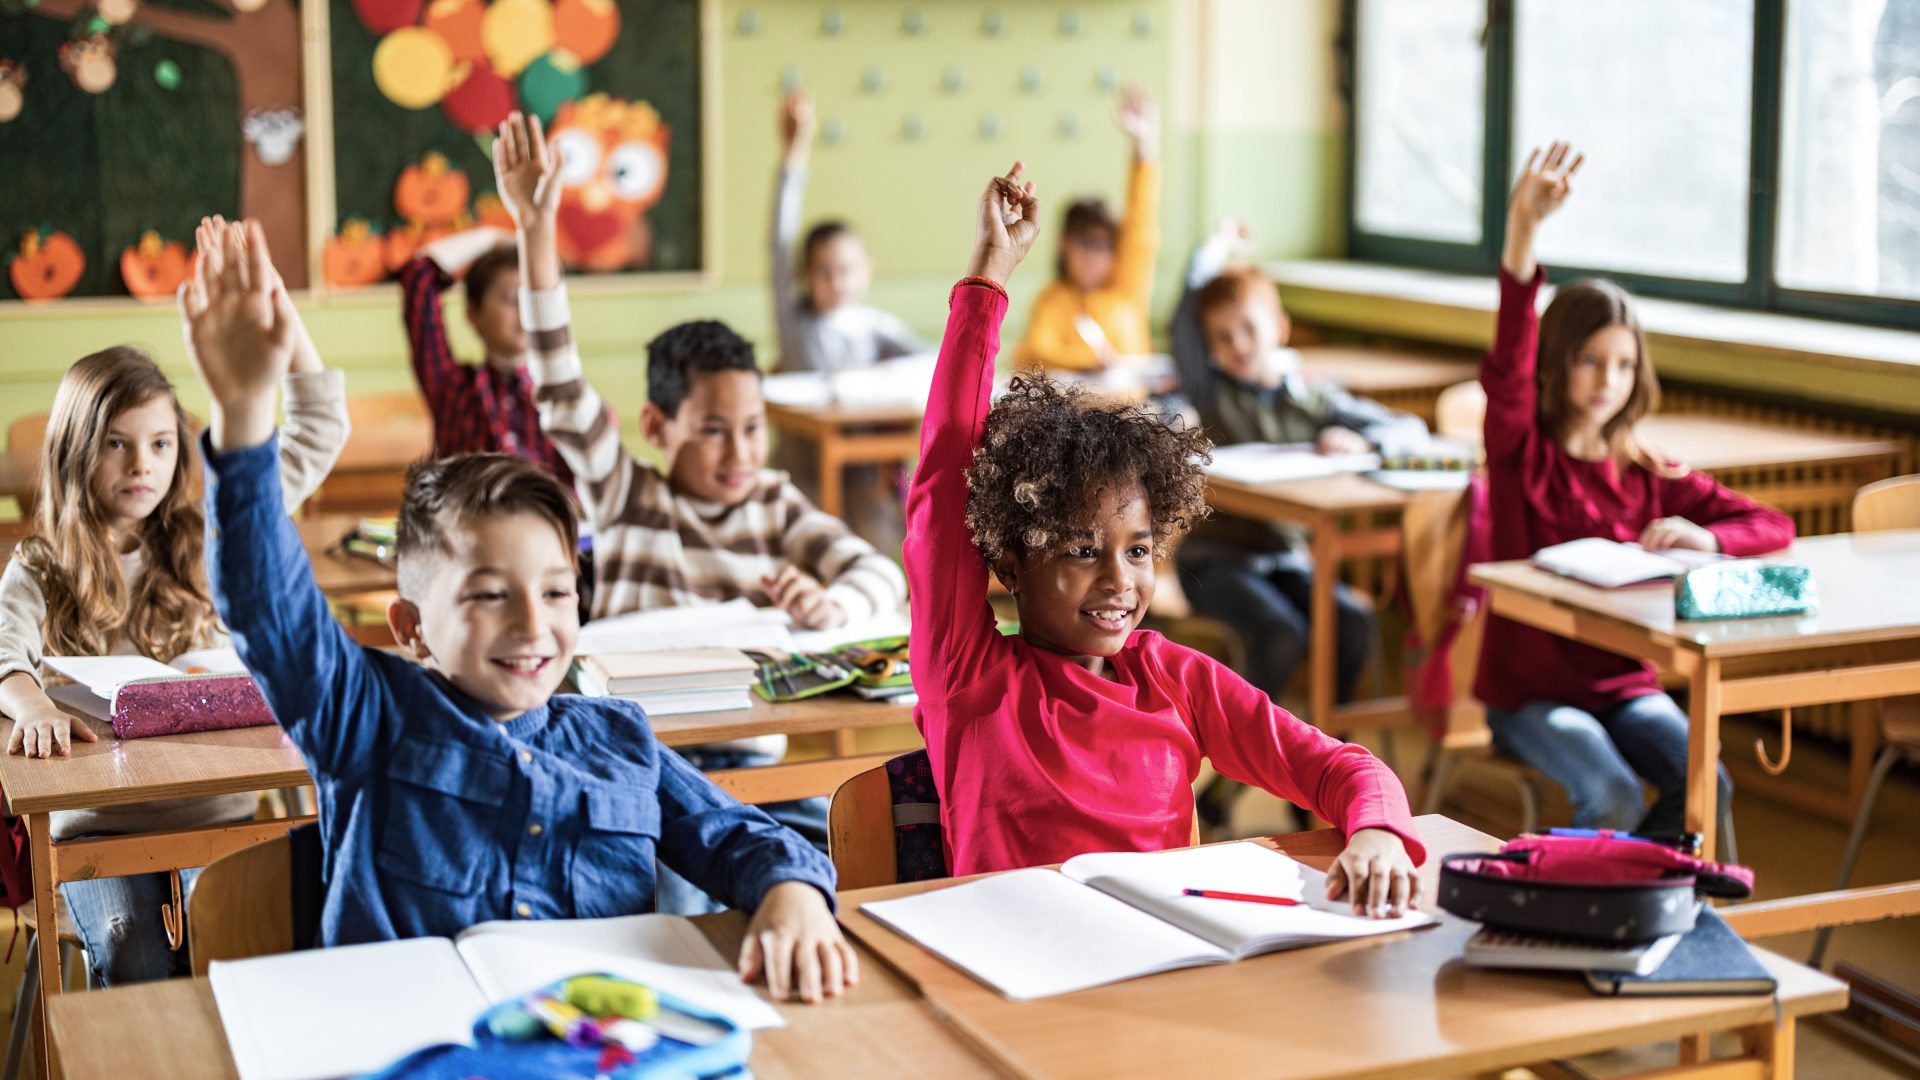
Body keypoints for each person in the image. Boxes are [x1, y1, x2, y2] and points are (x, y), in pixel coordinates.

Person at [185, 216, 859, 1003]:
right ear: (410, 628)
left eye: (554, 592)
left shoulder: (618, 740)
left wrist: (793, 894)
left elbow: (740, 835)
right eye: (488, 595)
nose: (532, 626)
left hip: (596, 1047)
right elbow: (268, 607)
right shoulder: (367, 716)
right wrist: (243, 417)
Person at [908, 162, 1424, 917]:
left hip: (1157, 979)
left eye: (1139, 549)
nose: (1120, 581)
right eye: (1083, 551)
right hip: (1012, 986)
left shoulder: (1174, 680)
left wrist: (1376, 829)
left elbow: (1345, 767)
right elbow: (940, 479)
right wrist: (987, 280)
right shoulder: (969, 675)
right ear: (1013, 561)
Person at [499, 112, 905, 914]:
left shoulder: (775, 505)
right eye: (712, 431)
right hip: (639, 771)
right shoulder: (627, 492)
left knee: (810, 888)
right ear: (657, 429)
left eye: (752, 428)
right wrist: (537, 233)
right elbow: (557, 381)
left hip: (752, 771)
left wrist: (832, 605)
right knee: (666, 912)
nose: (740, 451)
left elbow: (877, 573)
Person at [0, 217, 349, 985]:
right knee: (132, 946)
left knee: (234, 934)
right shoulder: (41, 565)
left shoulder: (215, 529)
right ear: (74, 451)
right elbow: (3, 659)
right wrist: (32, 709)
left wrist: (277, 315)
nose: (142, 465)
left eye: (160, 444)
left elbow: (321, 425)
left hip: (214, 808)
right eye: (116, 443)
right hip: (95, 822)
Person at [1478, 143, 1793, 838]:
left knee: (1708, 781)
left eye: (1622, 364)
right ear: (1554, 363)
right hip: (1530, 697)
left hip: (1624, 689)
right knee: (1614, 796)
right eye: (1589, 360)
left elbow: (1771, 524)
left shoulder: (1648, 472)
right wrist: (1523, 230)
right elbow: (1507, 361)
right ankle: (1599, 924)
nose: (1606, 380)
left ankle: (1645, 911)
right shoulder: (1520, 453)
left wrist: (1707, 537)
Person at [1169, 218, 1428, 831]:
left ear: (1279, 329)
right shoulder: (1210, 393)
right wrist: (1208, 255)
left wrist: (1352, 440)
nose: (1236, 345)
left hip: (1286, 558)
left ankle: (1316, 774)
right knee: (1281, 633)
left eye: (1249, 330)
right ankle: (1238, 779)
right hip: (1217, 560)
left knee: (1355, 622)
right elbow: (1183, 323)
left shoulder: (1309, 396)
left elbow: (1402, 429)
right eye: (1221, 336)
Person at [1014, 87, 1160, 371]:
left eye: (1106, 246)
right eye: (1086, 243)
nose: (1095, 255)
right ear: (1063, 243)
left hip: (1131, 409)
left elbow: (1142, 225)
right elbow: (1035, 352)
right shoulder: (1051, 300)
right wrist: (1093, 360)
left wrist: (1144, 145)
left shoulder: (1126, 290)